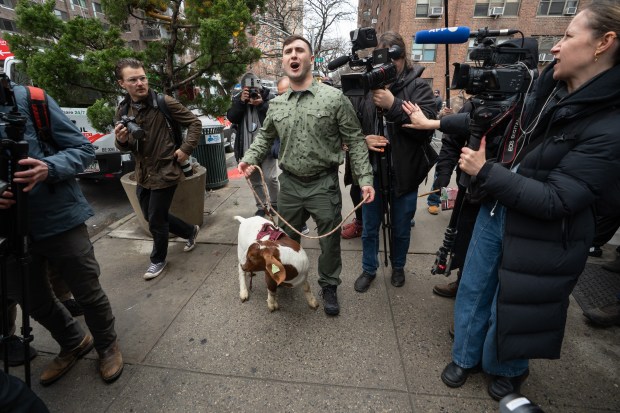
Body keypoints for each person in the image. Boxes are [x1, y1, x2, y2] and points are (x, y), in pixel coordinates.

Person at [430, 2, 620, 401]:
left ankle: (507, 368)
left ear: (604, 43)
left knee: (514, 300)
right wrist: (435, 122)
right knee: (474, 287)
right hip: (496, 207)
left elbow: (559, 198)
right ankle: (465, 356)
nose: (555, 48)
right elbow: (492, 118)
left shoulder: (610, 122)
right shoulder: (542, 84)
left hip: (542, 228)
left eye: (568, 37)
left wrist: (486, 172)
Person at [238, 35, 375, 316]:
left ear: (310, 59)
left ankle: (328, 285)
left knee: (329, 242)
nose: (293, 55)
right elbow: (264, 138)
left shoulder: (334, 98)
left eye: (299, 50)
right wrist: (250, 159)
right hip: (289, 185)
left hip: (323, 185)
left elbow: (356, 140)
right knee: (285, 238)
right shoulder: (277, 104)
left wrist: (365, 180)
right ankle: (286, 275)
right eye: (288, 51)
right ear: (284, 61)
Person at [0, 76, 123, 384]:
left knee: (87, 291)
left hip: (58, 217)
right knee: (32, 299)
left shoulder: (31, 99)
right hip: (8, 231)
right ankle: (73, 342)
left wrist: (49, 168)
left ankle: (107, 346)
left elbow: (82, 150)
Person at [352, 31, 436, 293]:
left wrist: (393, 104)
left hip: (405, 171)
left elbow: (428, 124)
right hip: (372, 172)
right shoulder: (367, 87)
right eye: (384, 56)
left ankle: (398, 266)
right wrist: (364, 138)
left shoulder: (418, 86)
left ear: (404, 57)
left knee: (400, 227)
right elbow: (351, 127)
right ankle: (369, 269)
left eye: (396, 55)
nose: (391, 62)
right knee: (369, 227)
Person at [114, 58, 202, 280]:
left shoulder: (164, 102)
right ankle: (189, 231)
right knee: (150, 214)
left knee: (156, 219)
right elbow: (123, 145)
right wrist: (121, 140)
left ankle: (158, 260)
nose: (140, 83)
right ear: (122, 84)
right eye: (133, 80)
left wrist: (185, 149)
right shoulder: (123, 109)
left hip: (166, 170)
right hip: (144, 172)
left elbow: (194, 123)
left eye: (142, 78)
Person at [227, 73, 279, 217]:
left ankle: (275, 204)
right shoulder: (239, 99)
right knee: (255, 180)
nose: (251, 91)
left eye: (253, 88)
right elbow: (232, 117)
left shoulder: (268, 96)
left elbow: (275, 116)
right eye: (247, 88)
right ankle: (261, 206)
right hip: (247, 147)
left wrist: (261, 104)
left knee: (270, 178)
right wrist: (241, 102)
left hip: (266, 147)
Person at [276, 76, 309, 236]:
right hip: (290, 179)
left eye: (287, 93)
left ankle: (302, 220)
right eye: (279, 94)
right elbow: (264, 136)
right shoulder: (276, 108)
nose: (283, 98)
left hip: (320, 182)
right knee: (285, 235)